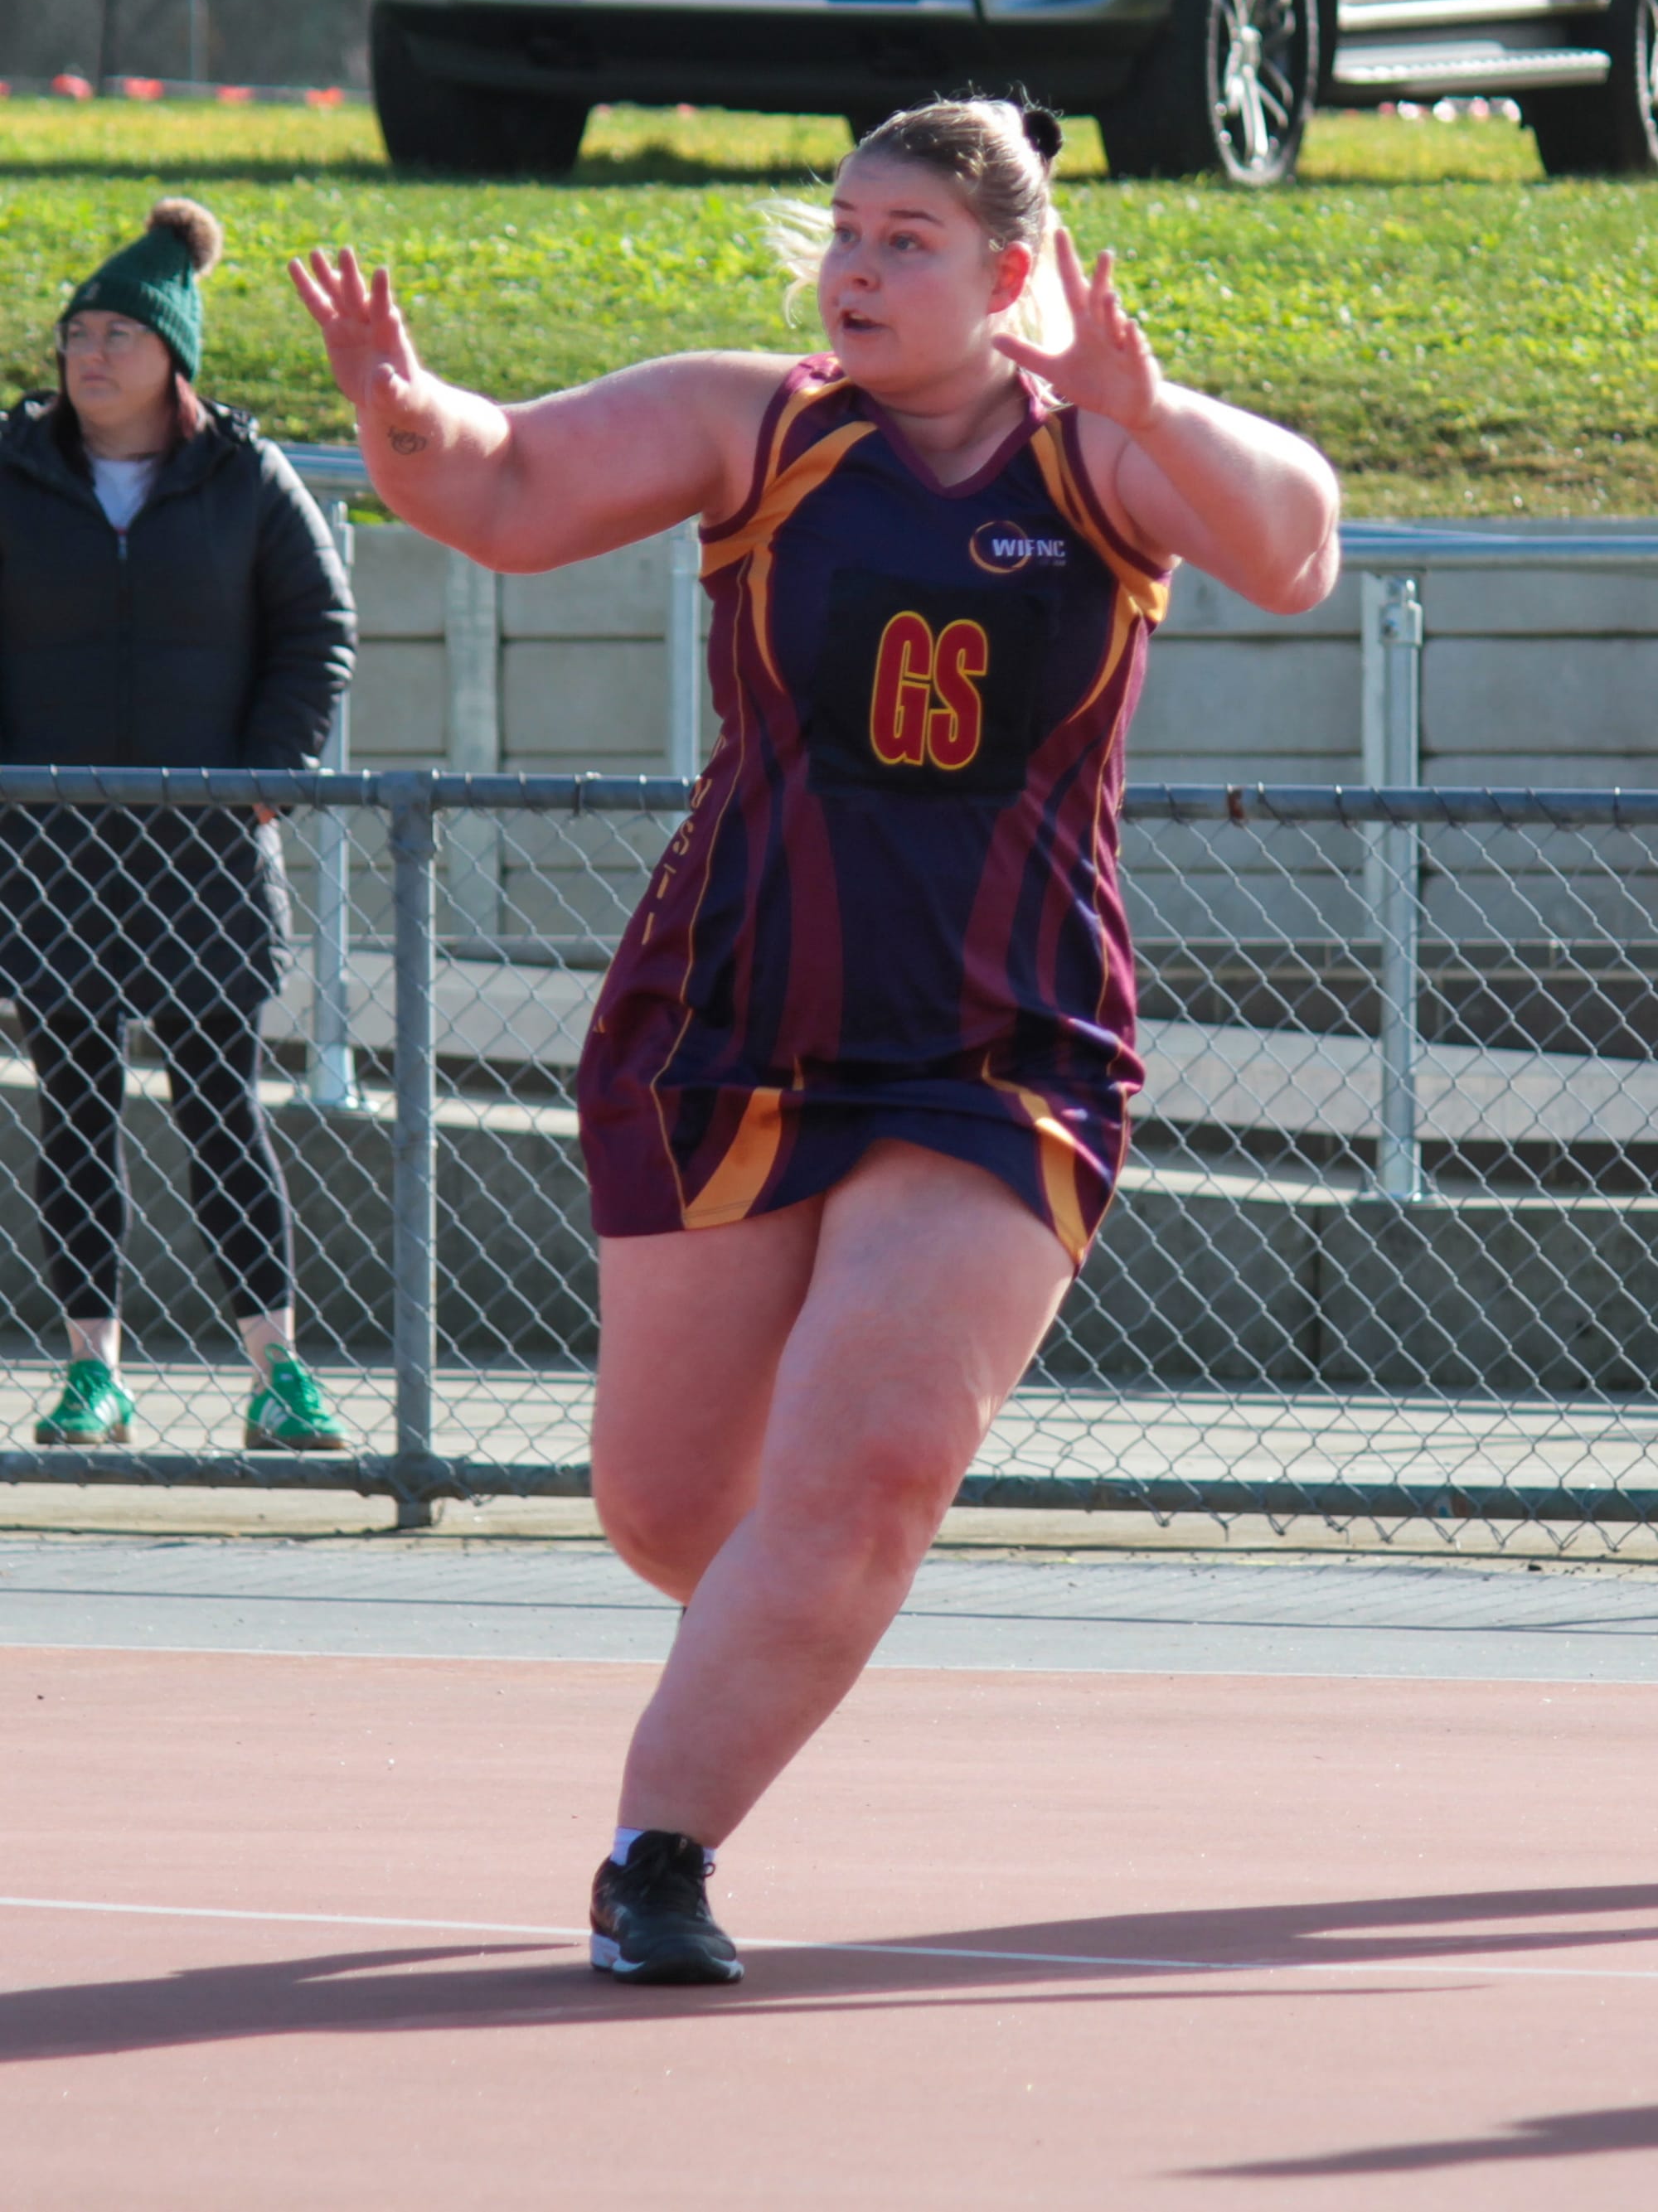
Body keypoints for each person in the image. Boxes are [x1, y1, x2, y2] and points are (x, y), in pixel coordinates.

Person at [292, 97, 1339, 1984]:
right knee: (673, 1507)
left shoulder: (1097, 453)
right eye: (844, 229)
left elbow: (1297, 550)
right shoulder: (756, 423)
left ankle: (656, 1854)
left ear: (1008, 276)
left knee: (867, 1471)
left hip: (1002, 1036)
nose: (855, 266)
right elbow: (503, 488)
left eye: (907, 240)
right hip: (737, 1007)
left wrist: (1157, 402)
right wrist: (402, 403)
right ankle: (778, 1619)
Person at [0, 197, 357, 1453]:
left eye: (118, 335)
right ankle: (92, 1372)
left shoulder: (245, 479)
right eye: (76, 333)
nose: (89, 354)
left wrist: (271, 769)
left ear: (175, 358)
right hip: (49, 851)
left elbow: (318, 631)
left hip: (204, 846)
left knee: (220, 1103)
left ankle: (281, 1371)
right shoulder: (13, 470)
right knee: (77, 1103)